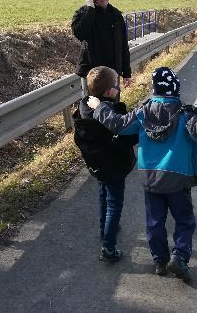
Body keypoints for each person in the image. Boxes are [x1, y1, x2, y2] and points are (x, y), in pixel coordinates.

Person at [86, 67, 197, 282]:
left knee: (154, 222)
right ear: (175, 90)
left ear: (154, 90)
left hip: (150, 179)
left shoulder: (142, 113)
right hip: (177, 179)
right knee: (184, 221)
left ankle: (160, 260)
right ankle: (180, 256)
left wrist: (99, 108)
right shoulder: (184, 114)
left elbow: (118, 125)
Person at [72, 66, 138, 262]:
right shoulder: (113, 113)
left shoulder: (83, 109)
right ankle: (108, 247)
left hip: (97, 165)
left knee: (103, 194)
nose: (118, 89)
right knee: (114, 204)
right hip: (114, 167)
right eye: (116, 86)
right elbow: (127, 137)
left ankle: (105, 227)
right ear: (110, 91)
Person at [71, 0, 132, 95]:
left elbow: (123, 45)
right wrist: (90, 10)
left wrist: (127, 73)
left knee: (113, 110)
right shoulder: (83, 14)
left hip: (112, 74)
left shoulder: (116, 15)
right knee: (90, 110)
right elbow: (80, 34)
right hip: (91, 75)